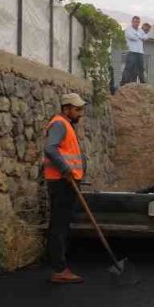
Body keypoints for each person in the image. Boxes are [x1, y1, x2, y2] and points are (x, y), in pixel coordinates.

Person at [42, 93, 88, 284]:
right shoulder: (60, 124)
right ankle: (59, 269)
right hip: (61, 182)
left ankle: (59, 265)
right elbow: (50, 148)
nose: (80, 113)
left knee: (61, 225)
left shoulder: (66, 125)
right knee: (59, 226)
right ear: (66, 108)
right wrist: (65, 169)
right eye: (77, 109)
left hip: (66, 181)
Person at [121, 16, 149, 86]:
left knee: (140, 68)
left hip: (140, 52)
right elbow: (132, 37)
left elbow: (146, 37)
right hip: (131, 51)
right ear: (132, 22)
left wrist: (138, 35)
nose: (136, 23)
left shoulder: (140, 30)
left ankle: (142, 82)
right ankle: (124, 81)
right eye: (135, 22)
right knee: (129, 67)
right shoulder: (128, 29)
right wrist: (140, 37)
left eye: (138, 22)